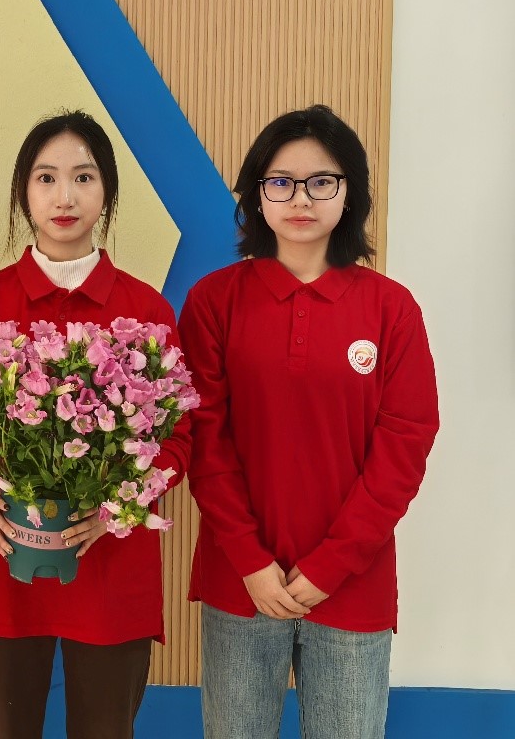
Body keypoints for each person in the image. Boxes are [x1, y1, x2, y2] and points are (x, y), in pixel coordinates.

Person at [182, 104, 439, 739]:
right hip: (243, 580)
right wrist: (250, 558)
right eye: (281, 182)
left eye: (321, 181)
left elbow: (405, 446)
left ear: (350, 193)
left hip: (353, 583)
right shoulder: (214, 302)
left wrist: (332, 565)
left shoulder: (391, 309)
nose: (301, 198)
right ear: (257, 195)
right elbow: (203, 439)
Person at [0, 111, 192, 739]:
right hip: (4, 554)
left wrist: (118, 510)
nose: (65, 197)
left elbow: (178, 438)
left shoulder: (145, 310)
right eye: (46, 178)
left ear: (107, 192)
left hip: (110, 560)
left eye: (84, 177)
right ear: (23, 191)